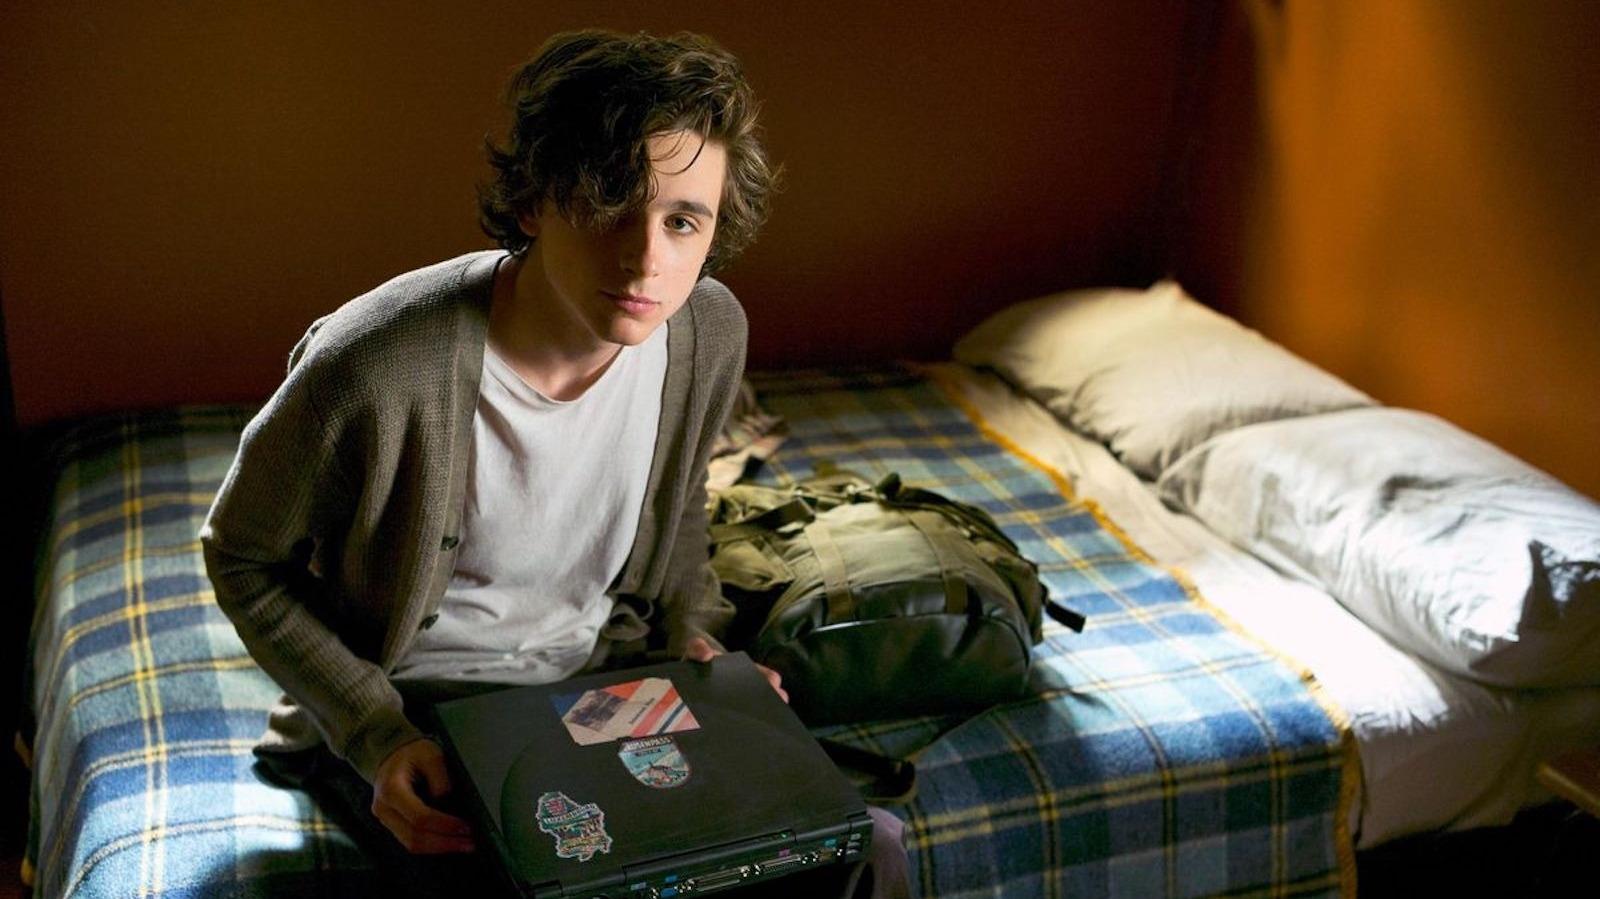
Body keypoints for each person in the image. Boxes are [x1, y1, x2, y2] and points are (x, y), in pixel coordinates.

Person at [201, 28, 906, 899]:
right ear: (534, 201)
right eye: (609, 203)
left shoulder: (708, 331)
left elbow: (680, 501)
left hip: (606, 677)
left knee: (856, 845)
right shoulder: (373, 362)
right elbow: (241, 556)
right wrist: (374, 732)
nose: (647, 258)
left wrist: (697, 637)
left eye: (682, 220)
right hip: (422, 705)